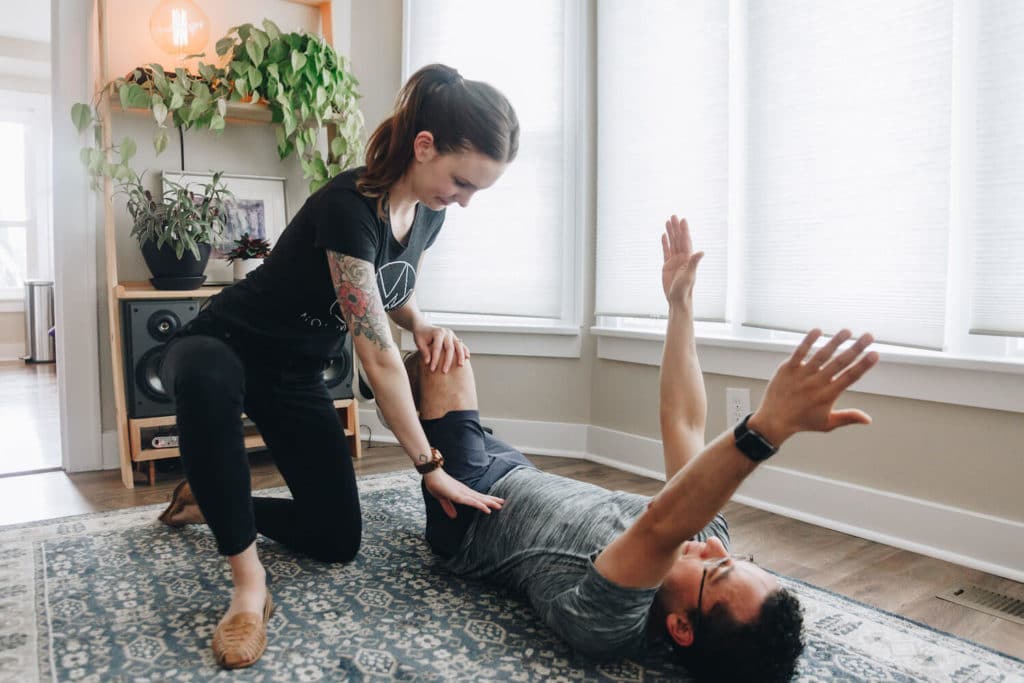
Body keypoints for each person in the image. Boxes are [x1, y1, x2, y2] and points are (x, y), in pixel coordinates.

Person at [405, 216, 880, 682]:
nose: (713, 545)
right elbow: (683, 422)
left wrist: (766, 430)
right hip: (523, 472)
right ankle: (401, 388)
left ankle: (397, 387)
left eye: (714, 570)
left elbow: (659, 525)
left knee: (444, 355)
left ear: (680, 627)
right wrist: (681, 305)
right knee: (416, 384)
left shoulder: (609, 622)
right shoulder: (700, 536)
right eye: (734, 559)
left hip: (469, 507)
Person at [156, 63, 519, 669]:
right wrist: (429, 465)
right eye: (462, 182)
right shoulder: (349, 206)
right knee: (208, 376)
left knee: (336, 539)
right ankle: (249, 590)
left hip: (293, 373)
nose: (465, 200)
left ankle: (208, 501)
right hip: (224, 341)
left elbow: (390, 292)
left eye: (477, 189)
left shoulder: (430, 210)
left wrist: (422, 323)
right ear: (423, 147)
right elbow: (376, 356)